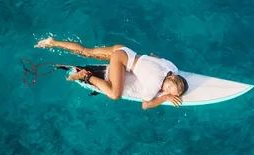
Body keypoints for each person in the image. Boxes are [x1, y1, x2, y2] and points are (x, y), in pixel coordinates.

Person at [34, 36, 188, 109]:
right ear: (172, 80)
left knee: (86, 51)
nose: (164, 90)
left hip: (126, 51)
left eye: (168, 91)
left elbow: (154, 55)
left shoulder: (172, 67)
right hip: (120, 59)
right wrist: (165, 97)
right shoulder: (155, 83)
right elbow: (145, 105)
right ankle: (88, 76)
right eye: (168, 88)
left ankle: (52, 42)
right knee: (115, 94)